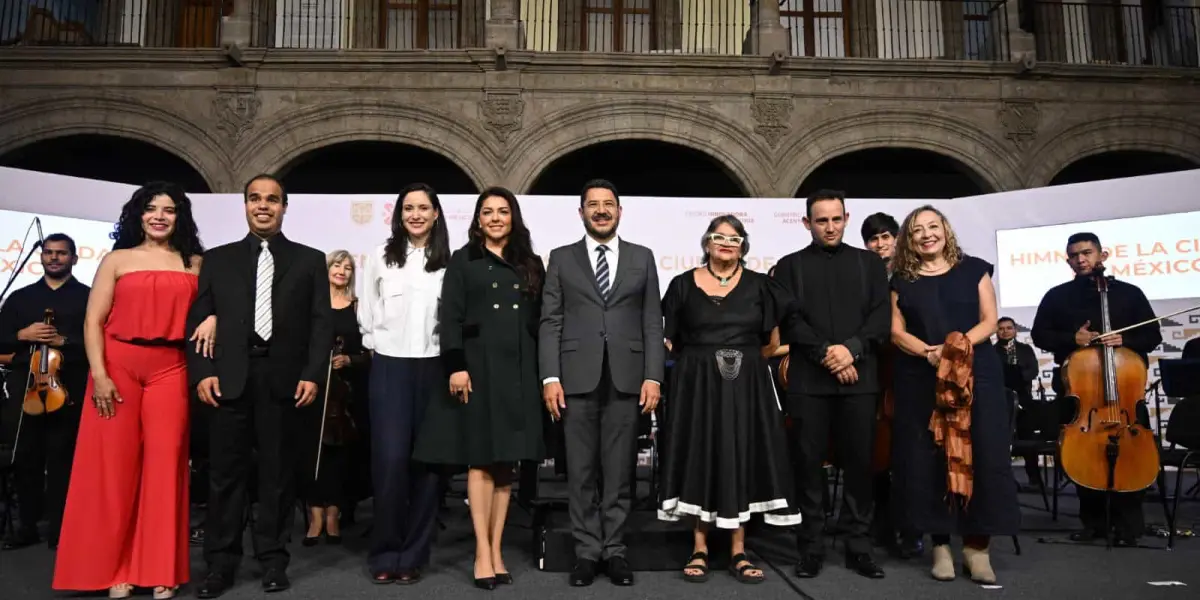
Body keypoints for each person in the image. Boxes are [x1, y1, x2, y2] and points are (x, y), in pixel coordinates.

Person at [51, 182, 204, 599]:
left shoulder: (194, 263)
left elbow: (212, 310)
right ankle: (115, 568)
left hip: (171, 367)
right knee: (113, 470)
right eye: (151, 208)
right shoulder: (117, 259)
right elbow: (92, 321)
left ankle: (158, 567)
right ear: (138, 215)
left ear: (179, 216)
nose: (159, 216)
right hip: (117, 367)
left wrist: (210, 320)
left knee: (165, 466)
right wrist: (99, 375)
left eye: (169, 210)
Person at [187, 174, 334, 598]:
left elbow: (321, 326)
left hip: (285, 381)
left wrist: (312, 374)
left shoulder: (310, 260)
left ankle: (273, 560)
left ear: (284, 207)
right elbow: (198, 321)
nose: (263, 206)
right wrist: (202, 371)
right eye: (255, 199)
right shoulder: (217, 259)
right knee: (224, 478)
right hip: (228, 380)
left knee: (277, 477)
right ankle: (220, 565)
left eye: (272, 200)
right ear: (246, 206)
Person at [413, 186, 545, 590]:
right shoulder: (462, 260)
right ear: (477, 219)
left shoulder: (531, 263)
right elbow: (449, 318)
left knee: (507, 464)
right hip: (477, 369)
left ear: (513, 217)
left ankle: (498, 547)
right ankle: (482, 553)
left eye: (502, 212)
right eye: (487, 212)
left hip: (520, 369)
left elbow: (541, 321)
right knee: (479, 460)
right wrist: (456, 366)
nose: (495, 218)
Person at [659, 215, 802, 585]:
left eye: (734, 238)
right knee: (700, 453)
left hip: (747, 385)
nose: (726, 243)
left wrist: (747, 362)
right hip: (697, 387)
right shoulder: (681, 285)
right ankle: (700, 546)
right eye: (718, 237)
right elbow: (670, 339)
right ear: (706, 243)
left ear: (743, 245)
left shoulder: (762, 287)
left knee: (741, 453)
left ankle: (739, 550)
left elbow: (772, 342)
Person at [539, 179, 664, 587]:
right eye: (592, 205)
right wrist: (550, 376)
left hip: (628, 379)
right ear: (581, 213)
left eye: (608, 204)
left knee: (619, 471)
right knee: (580, 471)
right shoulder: (561, 257)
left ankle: (615, 550)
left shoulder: (642, 257)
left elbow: (650, 321)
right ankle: (586, 552)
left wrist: (653, 376)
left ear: (619, 211)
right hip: (575, 378)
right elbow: (551, 321)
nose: (601, 210)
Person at [888, 205, 1019, 584]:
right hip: (921, 377)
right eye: (917, 230)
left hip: (977, 376)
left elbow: (990, 321)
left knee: (982, 455)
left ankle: (977, 549)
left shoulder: (974, 268)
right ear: (908, 240)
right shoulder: (901, 278)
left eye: (934, 226)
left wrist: (954, 349)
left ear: (946, 230)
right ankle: (941, 546)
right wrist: (928, 352)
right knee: (926, 460)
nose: (927, 234)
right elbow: (896, 331)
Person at [772, 191, 889, 580]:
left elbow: (879, 318)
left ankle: (859, 546)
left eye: (836, 219)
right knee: (808, 468)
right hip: (808, 382)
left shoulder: (870, 263)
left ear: (846, 218)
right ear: (807, 223)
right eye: (821, 220)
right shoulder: (788, 267)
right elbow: (791, 323)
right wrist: (829, 355)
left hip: (860, 381)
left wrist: (851, 351)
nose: (830, 227)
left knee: (860, 466)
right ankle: (811, 548)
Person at [1030, 232, 1161, 546]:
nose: (1081, 259)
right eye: (1074, 255)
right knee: (1084, 453)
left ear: (1103, 255)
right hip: (1080, 392)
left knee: (1132, 450)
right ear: (1068, 260)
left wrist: (1125, 341)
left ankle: (1129, 524)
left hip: (1125, 394)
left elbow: (1153, 334)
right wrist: (1071, 340)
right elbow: (1039, 335)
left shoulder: (1129, 294)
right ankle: (1094, 524)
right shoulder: (1057, 296)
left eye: (1087, 253)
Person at [357, 183, 449, 583]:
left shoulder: (451, 260)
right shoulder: (380, 256)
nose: (415, 214)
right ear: (399, 215)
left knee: (427, 465)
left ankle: (413, 554)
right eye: (408, 208)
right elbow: (368, 309)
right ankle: (385, 552)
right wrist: (377, 348)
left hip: (435, 367)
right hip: (390, 366)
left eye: (422, 208)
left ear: (436, 214)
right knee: (390, 461)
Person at [0, 233, 89, 551]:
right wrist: (21, 334)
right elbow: (2, 340)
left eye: (61, 254)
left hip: (71, 387)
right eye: (49, 253)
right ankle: (27, 525)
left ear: (74, 259)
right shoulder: (21, 298)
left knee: (64, 458)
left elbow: (99, 342)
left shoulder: (88, 297)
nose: (54, 258)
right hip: (26, 387)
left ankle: (60, 527)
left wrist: (65, 342)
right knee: (26, 459)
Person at [297, 250, 370, 547]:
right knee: (312, 452)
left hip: (347, 394)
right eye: (337, 265)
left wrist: (349, 361)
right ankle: (315, 514)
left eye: (348, 267)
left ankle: (334, 515)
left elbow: (369, 353)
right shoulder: (311, 306)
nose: (342, 270)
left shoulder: (357, 308)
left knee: (341, 455)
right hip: (312, 387)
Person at [996, 316, 1045, 489]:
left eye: (1008, 328)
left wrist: (1018, 377)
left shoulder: (1025, 349)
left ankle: (1034, 478)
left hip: (1025, 399)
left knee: (1028, 436)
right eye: (1001, 328)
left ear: (1015, 329)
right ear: (996, 331)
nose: (1005, 331)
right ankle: (1006, 480)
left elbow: (1033, 369)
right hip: (1000, 401)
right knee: (1002, 441)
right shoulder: (992, 352)